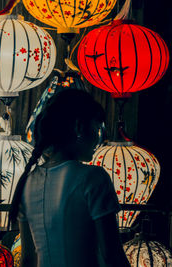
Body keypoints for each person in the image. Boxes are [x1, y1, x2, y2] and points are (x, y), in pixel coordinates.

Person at [9, 90, 130, 267]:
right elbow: (112, 256)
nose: (98, 138)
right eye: (96, 128)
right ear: (79, 127)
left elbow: (28, 260)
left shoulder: (27, 183)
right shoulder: (93, 178)